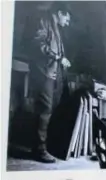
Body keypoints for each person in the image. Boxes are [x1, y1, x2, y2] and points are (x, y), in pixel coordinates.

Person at [29, 1, 72, 163]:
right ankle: (39, 150)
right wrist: (58, 57)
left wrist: (61, 58)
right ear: (60, 13)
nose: (67, 23)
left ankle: (40, 147)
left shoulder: (56, 28)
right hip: (42, 72)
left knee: (46, 110)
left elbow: (54, 49)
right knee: (44, 110)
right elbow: (38, 44)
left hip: (51, 73)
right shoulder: (45, 21)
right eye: (67, 19)